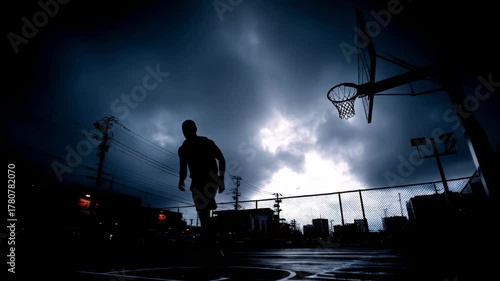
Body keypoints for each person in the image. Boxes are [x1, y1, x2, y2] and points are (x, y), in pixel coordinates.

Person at [178, 119, 226, 255]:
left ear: (194, 130)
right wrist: (181, 179)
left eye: (188, 129)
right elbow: (183, 167)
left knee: (204, 210)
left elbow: (221, 159)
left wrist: (220, 178)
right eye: (185, 129)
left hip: (210, 179)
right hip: (198, 181)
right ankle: (210, 241)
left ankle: (210, 242)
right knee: (203, 212)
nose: (186, 132)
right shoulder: (184, 149)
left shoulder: (206, 142)